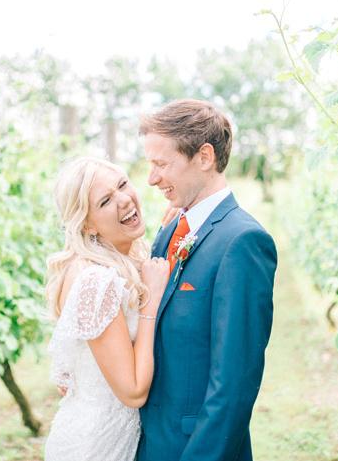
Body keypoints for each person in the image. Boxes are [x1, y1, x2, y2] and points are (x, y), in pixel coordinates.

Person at [137, 99, 278, 461]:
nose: (152, 178)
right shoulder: (170, 231)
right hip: (149, 442)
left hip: (196, 448)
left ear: (204, 157)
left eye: (161, 164)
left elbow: (233, 385)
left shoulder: (242, 242)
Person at [44, 157, 170, 461]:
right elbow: (133, 391)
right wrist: (151, 301)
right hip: (96, 447)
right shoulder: (96, 281)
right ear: (87, 223)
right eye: (105, 201)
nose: (124, 200)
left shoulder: (112, 261)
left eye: (123, 185)